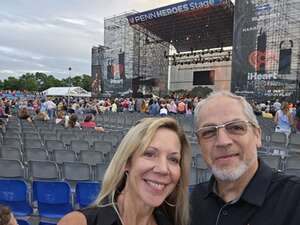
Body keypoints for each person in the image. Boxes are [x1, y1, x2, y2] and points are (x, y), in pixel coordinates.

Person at [190, 91, 300, 225]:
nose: (223, 141)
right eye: (208, 132)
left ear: (257, 135)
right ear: (200, 144)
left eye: (236, 127)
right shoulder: (193, 200)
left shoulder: (295, 200)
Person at [58, 117, 191, 225]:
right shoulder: (78, 222)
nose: (163, 169)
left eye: (173, 159)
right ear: (127, 162)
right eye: (149, 154)